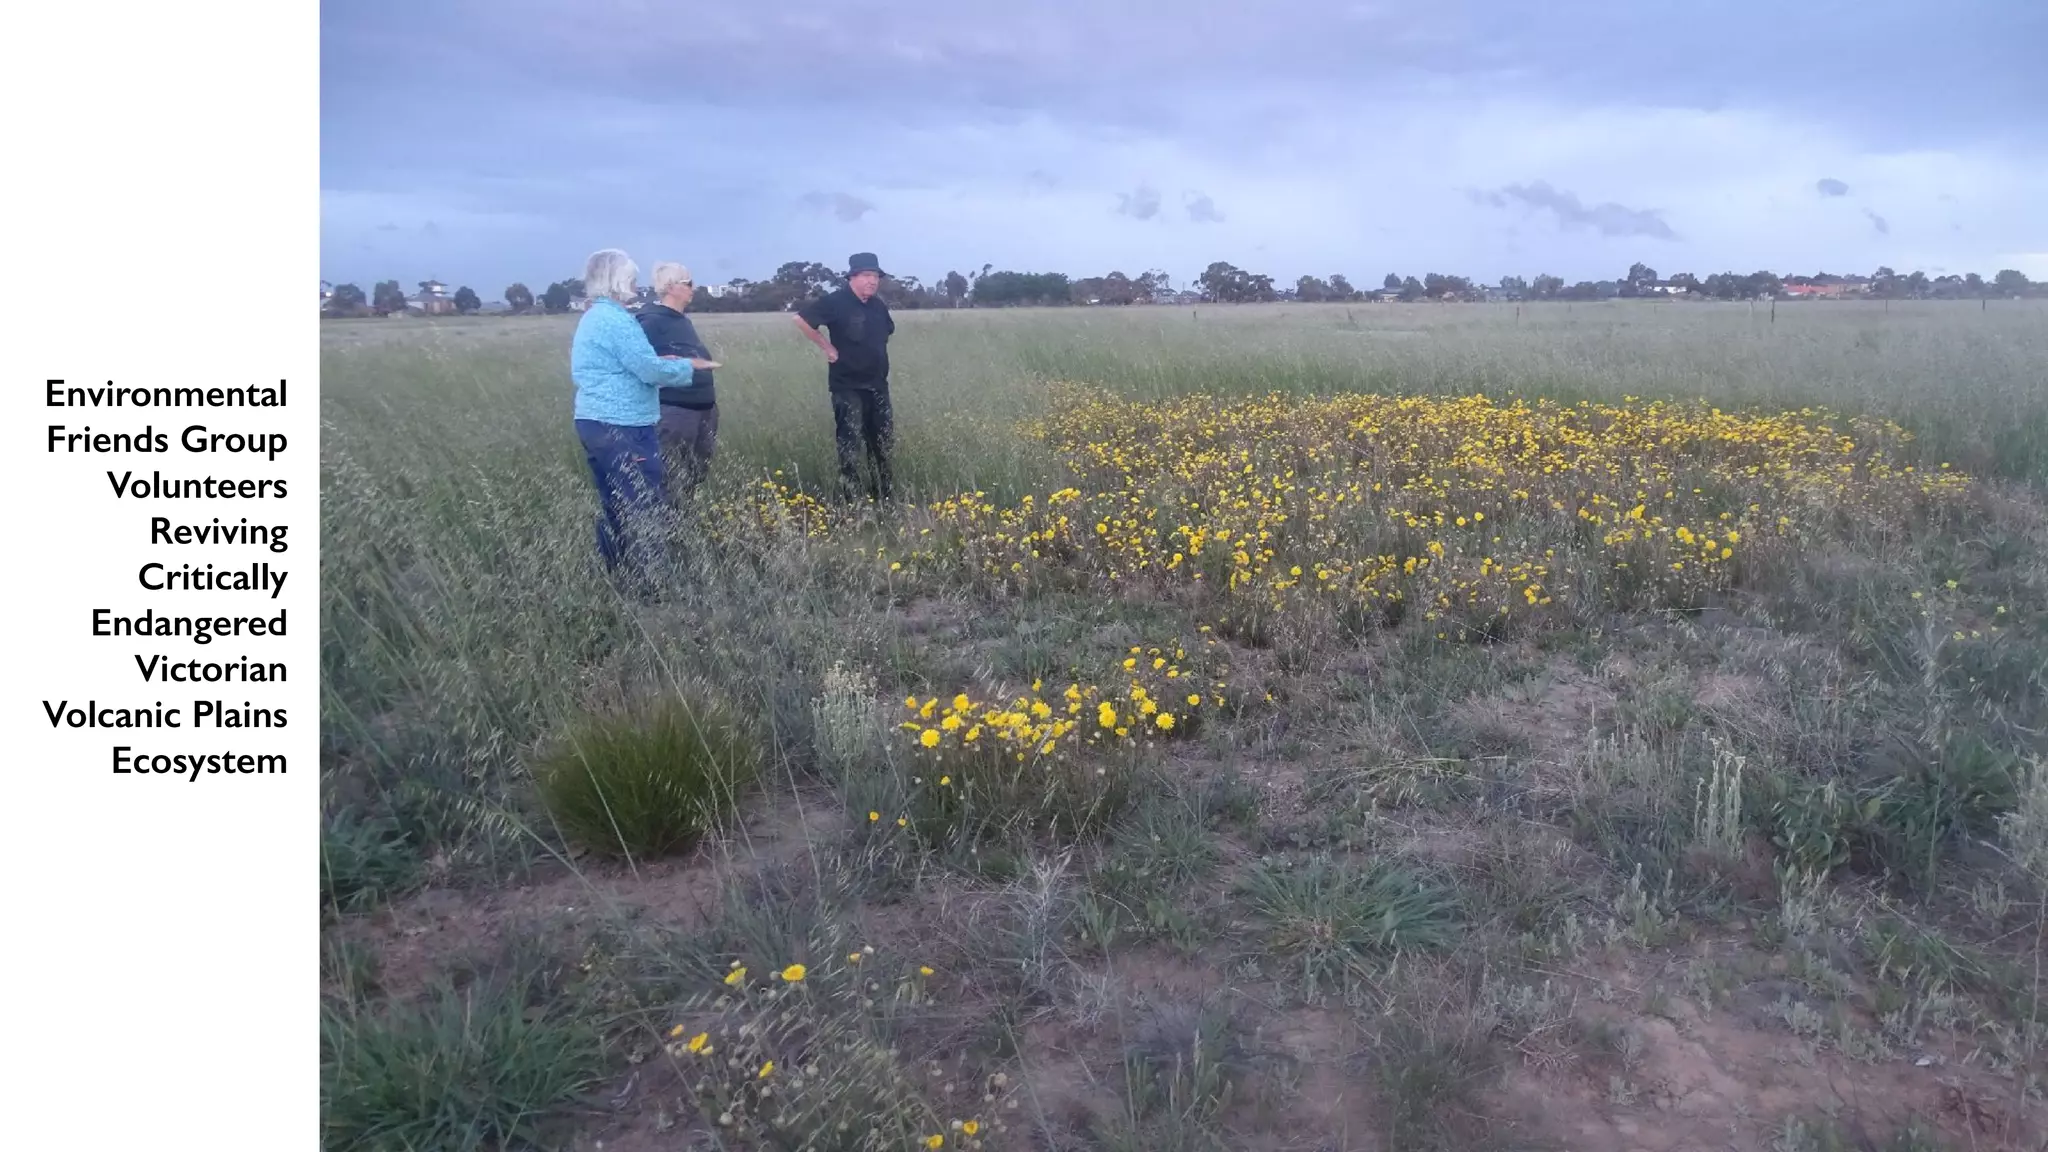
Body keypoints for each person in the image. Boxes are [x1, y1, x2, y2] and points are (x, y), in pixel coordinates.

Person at [569, 248, 718, 589]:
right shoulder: (616, 319)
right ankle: (651, 585)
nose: (636, 283)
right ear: (617, 279)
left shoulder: (593, 316)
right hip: (623, 424)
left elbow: (628, 362)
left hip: (594, 420)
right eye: (631, 276)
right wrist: (686, 367)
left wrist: (660, 361)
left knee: (615, 502)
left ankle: (616, 573)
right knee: (643, 503)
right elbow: (647, 369)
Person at [794, 252, 896, 502]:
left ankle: (884, 495)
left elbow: (887, 331)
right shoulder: (836, 301)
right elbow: (801, 319)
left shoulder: (877, 305)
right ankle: (852, 500)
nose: (873, 281)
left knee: (882, 443)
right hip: (848, 386)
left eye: (876, 276)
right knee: (850, 444)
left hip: (878, 385)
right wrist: (827, 347)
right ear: (853, 277)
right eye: (867, 276)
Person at [637, 262, 719, 494]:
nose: (693, 288)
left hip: (703, 408)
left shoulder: (682, 320)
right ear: (672, 287)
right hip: (675, 410)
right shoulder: (650, 320)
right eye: (688, 283)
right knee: (670, 477)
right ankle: (667, 526)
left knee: (696, 475)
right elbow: (642, 363)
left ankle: (686, 522)